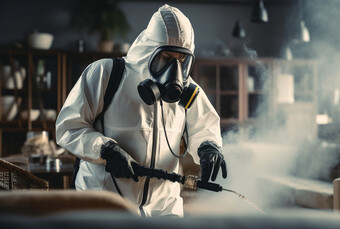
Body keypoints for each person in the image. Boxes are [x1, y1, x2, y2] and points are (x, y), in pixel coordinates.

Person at [56, 4, 227, 217]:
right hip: (103, 205)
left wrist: (209, 146)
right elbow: (68, 127)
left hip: (164, 208)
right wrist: (106, 150)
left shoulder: (187, 90)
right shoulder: (106, 74)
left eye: (181, 60)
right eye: (166, 58)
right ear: (149, 52)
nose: (174, 71)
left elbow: (204, 126)